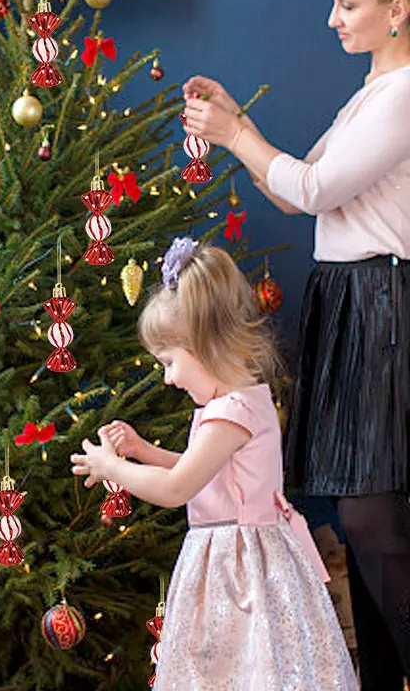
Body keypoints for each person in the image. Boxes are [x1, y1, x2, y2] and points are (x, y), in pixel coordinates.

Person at [180, 0, 410, 689]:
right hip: (351, 302)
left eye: (347, 4)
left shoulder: (404, 95)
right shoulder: (371, 96)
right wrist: (238, 125)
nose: (333, 18)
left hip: (382, 306)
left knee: (373, 516)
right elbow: (293, 184)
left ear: (398, 9)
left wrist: (233, 133)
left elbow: (312, 190)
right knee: (361, 515)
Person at [70, 238, 357, 690]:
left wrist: (112, 468)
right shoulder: (239, 404)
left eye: (169, 362)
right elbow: (207, 472)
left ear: (204, 345)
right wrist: (144, 451)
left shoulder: (230, 414)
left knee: (241, 669)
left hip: (238, 569)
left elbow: (177, 489)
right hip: (234, 556)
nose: (168, 378)